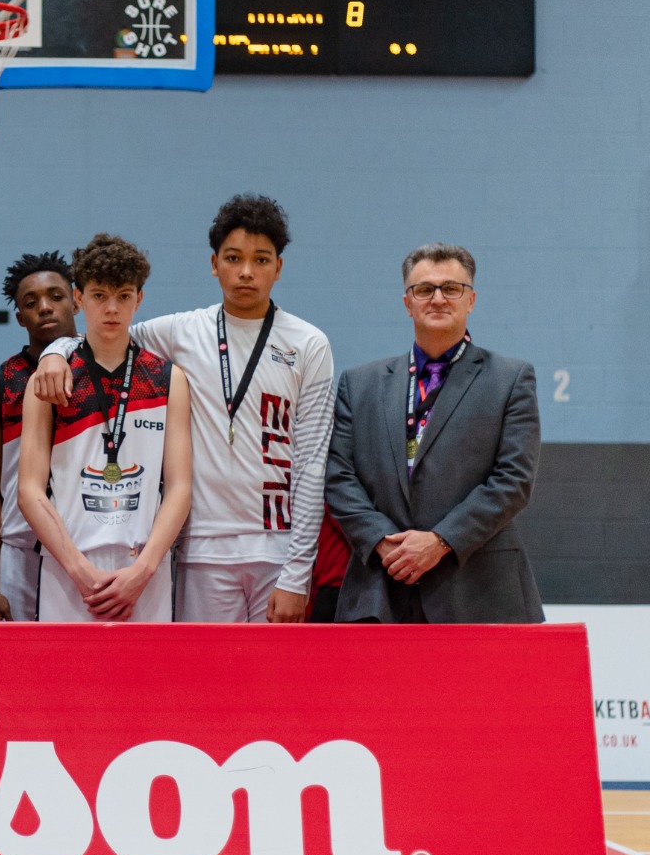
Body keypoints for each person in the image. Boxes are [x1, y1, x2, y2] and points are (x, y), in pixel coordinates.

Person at [33, 194, 333, 623]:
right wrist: (55, 352)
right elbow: (104, 333)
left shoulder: (309, 343)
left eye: (261, 260)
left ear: (279, 267)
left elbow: (312, 463)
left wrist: (298, 573)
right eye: (234, 258)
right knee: (204, 669)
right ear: (214, 263)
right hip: (201, 550)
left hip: (277, 551)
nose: (246, 271)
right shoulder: (180, 331)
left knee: (273, 669)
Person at [325, 243, 542, 623]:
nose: (438, 298)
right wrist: (383, 542)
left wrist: (441, 541)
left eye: (451, 288)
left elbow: (513, 480)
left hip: (478, 591)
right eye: (424, 289)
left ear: (471, 300)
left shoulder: (510, 379)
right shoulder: (359, 385)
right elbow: (339, 477)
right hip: (382, 586)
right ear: (407, 303)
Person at [17, 235, 192, 622]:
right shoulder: (49, 381)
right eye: (99, 296)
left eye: (123, 296)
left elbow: (180, 487)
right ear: (79, 298)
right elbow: (29, 490)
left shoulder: (169, 380)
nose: (112, 309)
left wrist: (144, 569)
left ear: (139, 299)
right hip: (68, 568)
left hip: (144, 570)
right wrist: (79, 570)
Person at [0, 251, 80, 621]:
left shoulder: (102, 370)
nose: (45, 307)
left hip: (85, 546)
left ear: (76, 301)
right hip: (19, 556)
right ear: (20, 317)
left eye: (56, 296)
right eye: (31, 302)